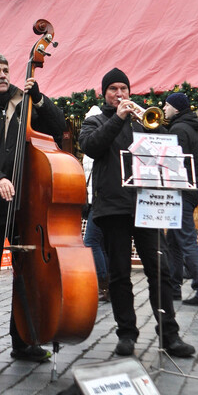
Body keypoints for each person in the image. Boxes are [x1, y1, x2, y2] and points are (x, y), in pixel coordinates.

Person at [78, 68, 195, 359]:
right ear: (103, 94)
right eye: (114, 89)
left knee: (160, 270)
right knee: (119, 274)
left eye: (124, 89)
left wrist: (152, 126)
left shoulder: (144, 120)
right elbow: (91, 147)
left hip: (148, 205)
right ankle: (126, 334)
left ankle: (169, 334)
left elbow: (169, 148)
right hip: (113, 208)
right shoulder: (95, 120)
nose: (120, 94)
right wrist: (118, 118)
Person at [0, 52, 66, 371]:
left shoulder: (24, 104)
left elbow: (59, 129)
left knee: (28, 275)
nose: (3, 75)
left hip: (27, 203)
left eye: (6, 70)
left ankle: (24, 340)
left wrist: (40, 99)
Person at [163, 93, 198, 307]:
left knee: (186, 241)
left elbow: (175, 163)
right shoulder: (189, 127)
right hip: (189, 190)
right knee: (173, 242)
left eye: (166, 105)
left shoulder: (178, 129)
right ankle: (174, 289)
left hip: (180, 190)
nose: (163, 108)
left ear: (176, 108)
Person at [82, 106, 110, 302]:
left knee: (91, 241)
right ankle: (107, 285)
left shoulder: (93, 141)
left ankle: (104, 284)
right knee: (100, 242)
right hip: (97, 198)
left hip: (98, 198)